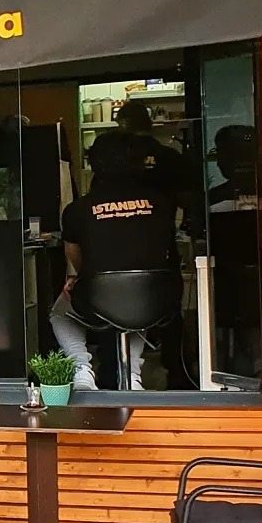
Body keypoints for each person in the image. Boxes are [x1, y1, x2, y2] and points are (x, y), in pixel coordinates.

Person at [49, 130, 181, 388]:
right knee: (139, 302)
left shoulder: (77, 209)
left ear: (94, 164)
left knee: (59, 313)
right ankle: (132, 374)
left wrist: (84, 279)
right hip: (153, 297)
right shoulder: (161, 202)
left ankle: (81, 369)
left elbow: (74, 256)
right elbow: (163, 246)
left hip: (98, 298)